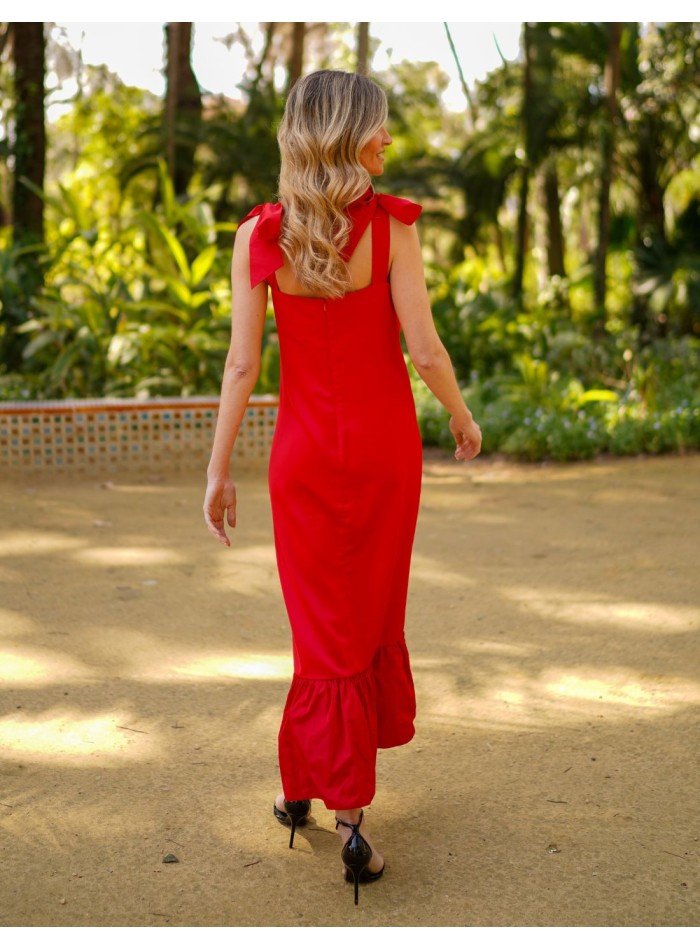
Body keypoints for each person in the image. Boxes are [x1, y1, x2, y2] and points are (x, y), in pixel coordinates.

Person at [203, 69, 482, 905]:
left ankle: (303, 789)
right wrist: (463, 421)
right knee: (362, 619)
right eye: (379, 128)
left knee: (319, 627)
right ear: (346, 134)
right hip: (388, 454)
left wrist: (218, 470)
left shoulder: (261, 235)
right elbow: (425, 351)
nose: (389, 142)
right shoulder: (392, 229)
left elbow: (242, 364)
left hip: (302, 461)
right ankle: (352, 817)